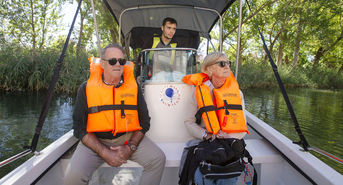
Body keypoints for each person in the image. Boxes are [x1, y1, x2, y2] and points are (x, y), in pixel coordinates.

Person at [63, 43, 166, 185]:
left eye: (121, 61)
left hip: (127, 139)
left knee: (158, 159)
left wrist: (130, 147)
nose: (117, 64)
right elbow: (79, 127)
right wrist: (105, 152)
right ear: (103, 64)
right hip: (95, 142)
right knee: (72, 177)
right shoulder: (86, 88)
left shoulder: (134, 87)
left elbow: (144, 122)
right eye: (112, 61)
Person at [181, 52, 249, 185]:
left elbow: (242, 126)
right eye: (222, 64)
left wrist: (226, 137)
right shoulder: (198, 93)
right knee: (201, 176)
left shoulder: (237, 94)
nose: (227, 66)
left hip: (228, 141)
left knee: (229, 175)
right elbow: (189, 123)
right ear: (209, 69)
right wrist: (206, 134)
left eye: (228, 63)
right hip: (204, 141)